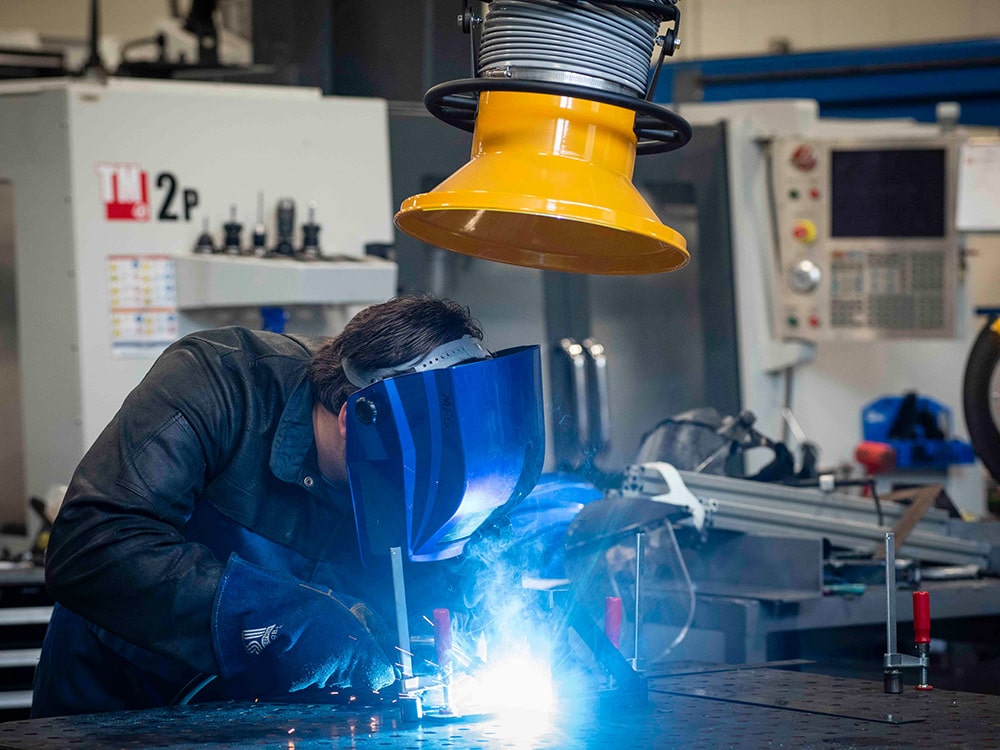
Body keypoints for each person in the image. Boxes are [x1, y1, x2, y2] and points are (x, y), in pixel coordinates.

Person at [31, 295, 545, 718]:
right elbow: (89, 545)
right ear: (355, 420)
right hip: (120, 707)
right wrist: (284, 617)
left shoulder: (437, 469)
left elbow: (456, 580)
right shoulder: (220, 381)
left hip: (278, 720)